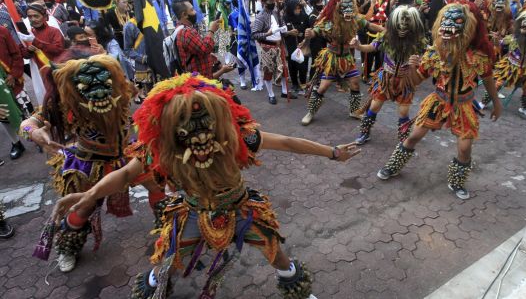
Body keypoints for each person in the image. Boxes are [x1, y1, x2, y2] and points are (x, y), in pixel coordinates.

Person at [50, 73, 361, 298]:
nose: (199, 136)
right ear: (171, 130)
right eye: (186, 127)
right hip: (193, 215)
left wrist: (333, 153)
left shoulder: (238, 138)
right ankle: (157, 289)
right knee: (167, 263)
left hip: (242, 209)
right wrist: (89, 194)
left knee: (276, 253)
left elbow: (289, 143)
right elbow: (126, 175)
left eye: (205, 125)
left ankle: (297, 291)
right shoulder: (160, 150)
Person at [24, 54, 166, 272]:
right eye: (89, 84)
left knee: (155, 184)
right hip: (89, 166)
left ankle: (166, 226)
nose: (99, 91)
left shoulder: (122, 89)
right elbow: (29, 122)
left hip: (126, 156)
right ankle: (67, 248)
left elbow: (144, 96)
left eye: (104, 82)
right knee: (83, 206)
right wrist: (33, 132)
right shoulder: (65, 102)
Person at [375, 3, 501, 200]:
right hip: (438, 101)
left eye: (456, 21)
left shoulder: (478, 56)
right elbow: (416, 80)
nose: (448, 26)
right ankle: (393, 166)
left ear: (468, 27)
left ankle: (457, 181)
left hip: (464, 106)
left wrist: (497, 103)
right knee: (414, 135)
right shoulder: (434, 52)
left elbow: (488, 79)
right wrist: (410, 70)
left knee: (465, 147)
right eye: (445, 21)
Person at [301, 0, 384, 125]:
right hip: (332, 59)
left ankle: (354, 110)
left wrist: (385, 30)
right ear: (338, 8)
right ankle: (311, 112)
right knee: (323, 87)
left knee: (355, 83)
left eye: (350, 7)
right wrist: (310, 33)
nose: (348, 11)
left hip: (347, 59)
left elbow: (370, 25)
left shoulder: (355, 19)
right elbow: (316, 31)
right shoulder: (330, 21)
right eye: (345, 8)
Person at [351, 5, 427, 145]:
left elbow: (425, 62)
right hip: (386, 78)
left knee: (403, 112)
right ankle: (364, 133)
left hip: (406, 81)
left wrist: (417, 63)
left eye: (407, 25)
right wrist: (359, 47)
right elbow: (371, 47)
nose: (403, 28)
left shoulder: (419, 42)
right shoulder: (386, 37)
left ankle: (404, 138)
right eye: (399, 25)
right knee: (374, 106)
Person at [479, 11, 526, 118]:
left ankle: (525, 108)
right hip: (510, 66)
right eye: (524, 20)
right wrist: (495, 40)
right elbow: (500, 43)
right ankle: (483, 102)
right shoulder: (512, 38)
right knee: (498, 84)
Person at [251, 0, 298, 104]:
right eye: (270, 0)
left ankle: (284, 91)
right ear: (264, 2)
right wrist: (268, 33)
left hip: (280, 45)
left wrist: (288, 32)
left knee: (283, 70)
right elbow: (254, 34)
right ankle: (271, 94)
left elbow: (282, 28)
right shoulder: (260, 17)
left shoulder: (276, 12)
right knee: (268, 71)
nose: (273, 2)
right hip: (267, 47)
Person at [172, 0, 220, 78]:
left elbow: (198, 50)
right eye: (192, 10)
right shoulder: (187, 32)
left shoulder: (180, 29)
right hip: (199, 83)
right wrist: (211, 30)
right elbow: (205, 49)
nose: (195, 12)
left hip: (197, 79)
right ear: (184, 14)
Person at [0, 25, 25, 160]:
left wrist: (14, 74)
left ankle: (36, 137)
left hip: (12, 81)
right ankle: (16, 143)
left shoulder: (2, 31)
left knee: (25, 110)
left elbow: (16, 54)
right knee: (4, 115)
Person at [284, 0, 310, 95]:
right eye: (295, 9)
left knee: (303, 65)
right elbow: (282, 32)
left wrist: (304, 40)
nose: (298, 10)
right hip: (291, 44)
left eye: (299, 8)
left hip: (303, 44)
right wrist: (289, 32)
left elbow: (309, 29)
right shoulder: (286, 17)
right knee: (292, 65)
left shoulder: (304, 16)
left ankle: (303, 83)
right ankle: (295, 83)